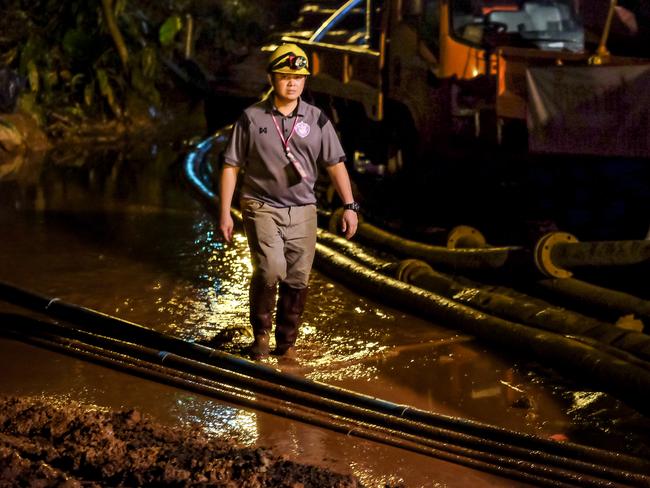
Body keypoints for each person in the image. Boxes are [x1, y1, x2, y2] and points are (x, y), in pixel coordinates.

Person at [219, 43, 359, 360]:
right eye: (284, 76)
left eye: (298, 77)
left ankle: (286, 344)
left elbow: (335, 163)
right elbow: (231, 166)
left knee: (298, 278)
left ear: (305, 81)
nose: (291, 83)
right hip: (261, 206)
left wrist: (349, 206)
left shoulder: (317, 120)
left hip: (304, 211)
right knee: (270, 271)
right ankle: (261, 336)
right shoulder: (251, 119)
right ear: (272, 78)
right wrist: (225, 212)